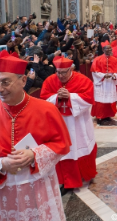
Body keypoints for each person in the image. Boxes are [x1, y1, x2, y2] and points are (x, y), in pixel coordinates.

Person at [0, 50, 71, 221]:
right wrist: (0, 164)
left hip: (37, 187)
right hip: (2, 191)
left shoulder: (46, 110)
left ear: (23, 80)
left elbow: (61, 145)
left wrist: (34, 155)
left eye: (5, 82)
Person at [40, 56, 97, 193]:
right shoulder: (50, 81)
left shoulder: (83, 80)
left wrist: (71, 97)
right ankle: (65, 181)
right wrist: (57, 97)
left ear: (71, 69)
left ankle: (85, 174)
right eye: (58, 72)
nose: (60, 76)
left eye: (64, 72)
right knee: (63, 152)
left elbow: (89, 99)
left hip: (78, 123)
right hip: (59, 122)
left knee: (80, 147)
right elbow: (43, 100)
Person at [91, 41, 117, 124]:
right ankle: (100, 116)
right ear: (103, 50)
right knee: (100, 100)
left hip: (110, 82)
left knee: (109, 100)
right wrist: (103, 76)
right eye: (107, 48)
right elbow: (94, 72)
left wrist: (114, 76)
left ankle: (107, 115)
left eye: (110, 48)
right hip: (101, 82)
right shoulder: (97, 59)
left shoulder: (115, 60)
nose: (109, 50)